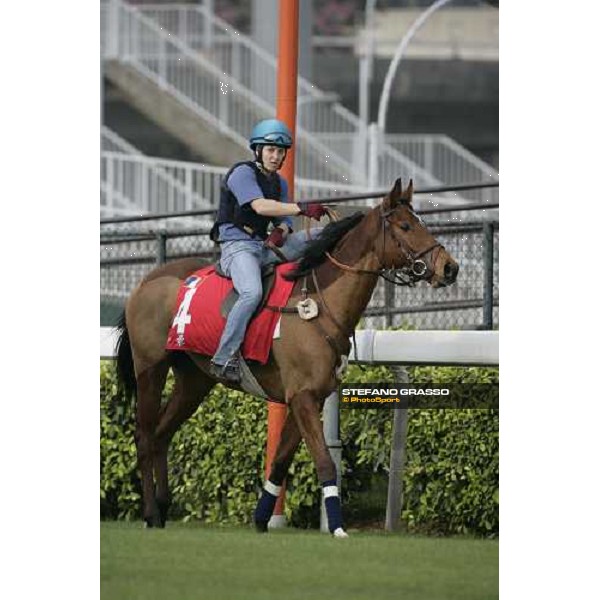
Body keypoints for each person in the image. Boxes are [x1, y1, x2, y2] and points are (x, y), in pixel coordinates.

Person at [208, 118, 327, 383]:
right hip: (237, 248)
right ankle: (223, 358)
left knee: (323, 235)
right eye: (270, 149)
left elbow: (283, 220)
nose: (276, 156)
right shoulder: (242, 173)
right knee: (251, 292)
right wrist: (301, 208)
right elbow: (261, 207)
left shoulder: (279, 183)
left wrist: (282, 231)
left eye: (280, 151)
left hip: (264, 247)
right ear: (258, 150)